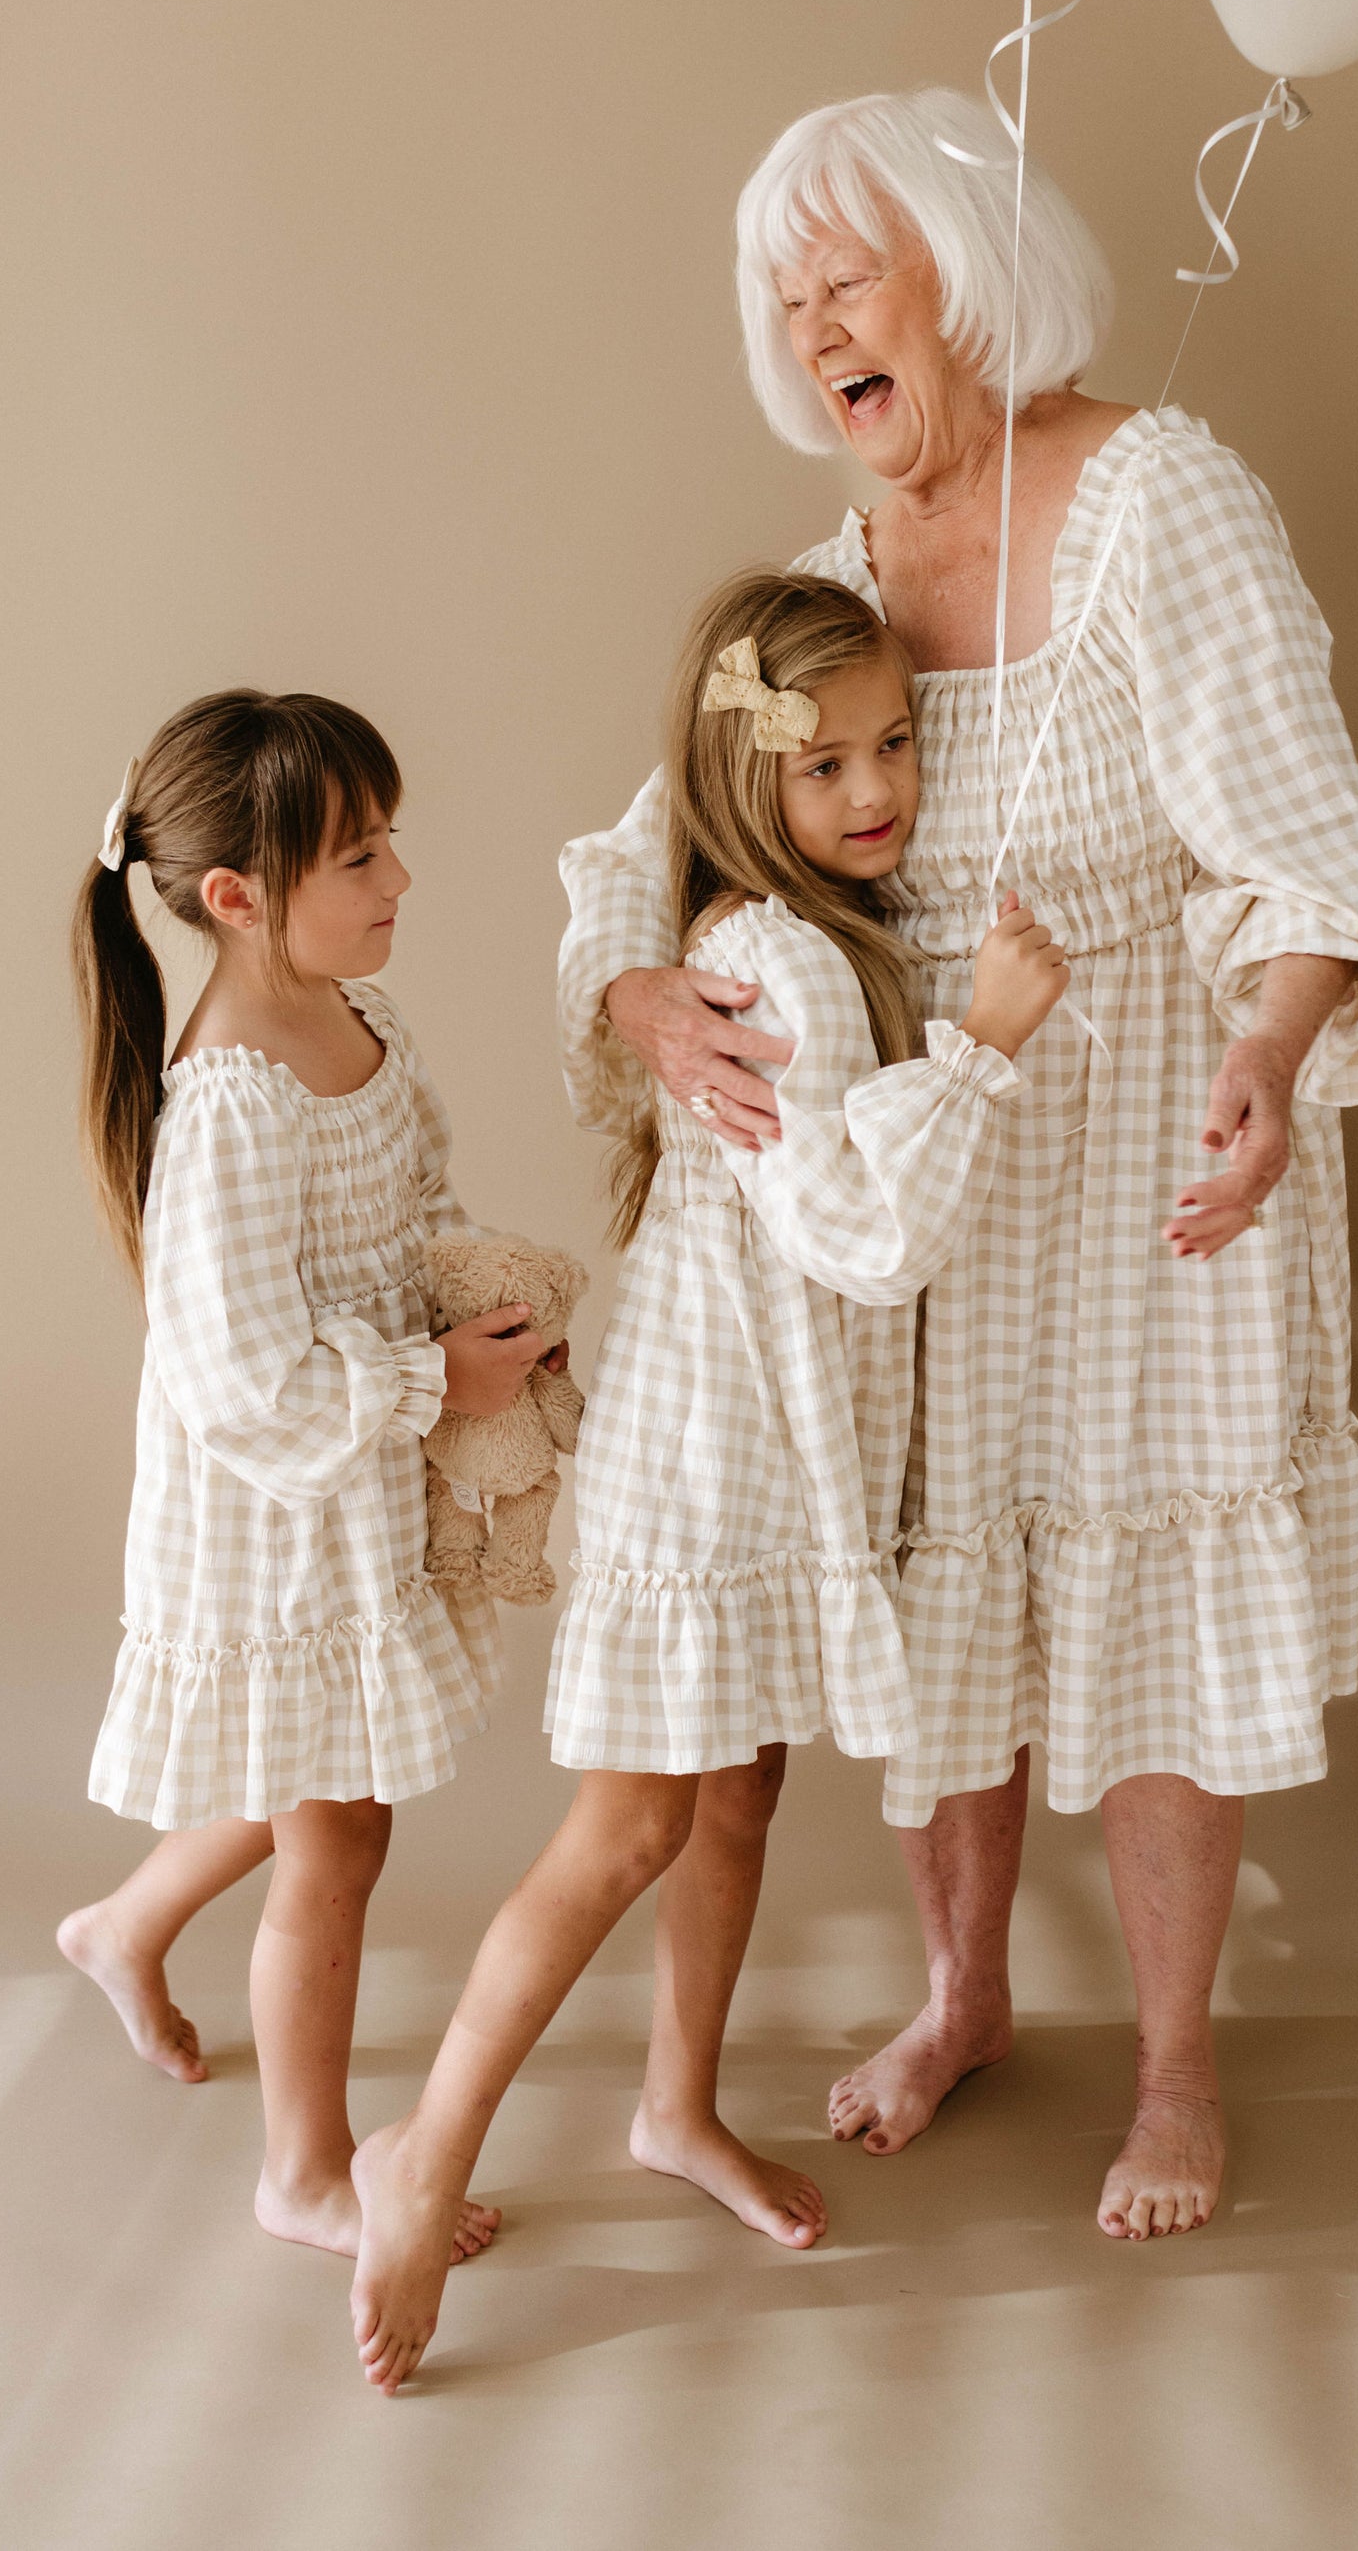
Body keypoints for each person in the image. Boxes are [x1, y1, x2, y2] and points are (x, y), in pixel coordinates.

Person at [558, 88, 1358, 2241]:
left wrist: (1269, 1041)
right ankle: (960, 1997)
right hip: (919, 1158)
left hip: (1138, 1131)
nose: (814, 318)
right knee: (962, 1595)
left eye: (853, 271)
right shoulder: (838, 578)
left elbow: (1302, 851)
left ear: (973, 271)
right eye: (789, 291)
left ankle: (1180, 2069)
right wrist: (635, 994)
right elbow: (636, 841)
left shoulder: (1159, 499)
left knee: (1141, 1600)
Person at [347, 570, 1068, 2390]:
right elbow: (860, 1233)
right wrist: (982, 1039)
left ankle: (673, 2105)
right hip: (710, 1446)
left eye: (894, 744)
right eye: (823, 762)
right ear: (746, 783)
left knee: (730, 1797)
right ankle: (422, 2159)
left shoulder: (782, 931)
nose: (874, 787)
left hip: (750, 1435)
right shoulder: (792, 960)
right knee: (632, 1824)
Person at [59, 688, 549, 2266]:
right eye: (357, 854)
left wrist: (475, 1303)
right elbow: (233, 1382)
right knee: (337, 1831)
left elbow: (412, 1196)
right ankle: (306, 2167)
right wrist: (430, 1382)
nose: (398, 877)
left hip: (361, 1473)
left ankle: (124, 1923)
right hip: (276, 1506)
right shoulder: (230, 1103)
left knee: (311, 1772)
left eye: (389, 837)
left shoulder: (362, 1019)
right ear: (236, 897)